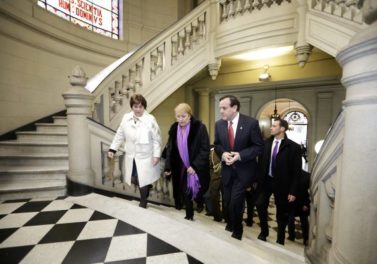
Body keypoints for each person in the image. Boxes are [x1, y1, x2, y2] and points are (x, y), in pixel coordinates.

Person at [214, 95, 264, 240]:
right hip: (227, 171)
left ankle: (237, 231)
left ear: (234, 108)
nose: (221, 111)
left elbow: (258, 147)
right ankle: (230, 222)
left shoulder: (251, 123)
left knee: (236, 201)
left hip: (244, 171)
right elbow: (217, 144)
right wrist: (223, 154)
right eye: (220, 108)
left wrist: (240, 155)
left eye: (224, 108)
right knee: (228, 201)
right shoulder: (219, 125)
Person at [108, 94, 162, 208]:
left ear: (144, 107)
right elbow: (120, 134)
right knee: (133, 179)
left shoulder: (150, 119)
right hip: (131, 155)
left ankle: (143, 201)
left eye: (141, 107)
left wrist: (157, 155)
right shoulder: (126, 118)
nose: (138, 109)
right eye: (135, 106)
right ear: (131, 107)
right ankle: (147, 186)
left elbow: (157, 139)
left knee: (142, 179)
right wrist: (113, 148)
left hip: (145, 156)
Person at [256, 118, 302, 245]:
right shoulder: (265, 144)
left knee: (281, 212)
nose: (271, 128)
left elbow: (296, 172)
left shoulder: (293, 147)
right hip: (266, 182)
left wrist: (293, 191)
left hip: (283, 184)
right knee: (260, 204)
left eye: (274, 126)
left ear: (282, 129)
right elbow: (260, 164)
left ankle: (280, 237)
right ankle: (263, 232)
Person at [164, 103, 210, 220]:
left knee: (197, 190)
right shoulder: (174, 128)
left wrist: (194, 166)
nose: (180, 119)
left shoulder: (199, 128)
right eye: (178, 116)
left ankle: (199, 203)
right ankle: (189, 215)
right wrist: (168, 167)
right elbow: (170, 149)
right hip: (180, 166)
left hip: (195, 166)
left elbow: (205, 149)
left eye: (183, 116)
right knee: (185, 190)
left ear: (190, 115)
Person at [288, 169, 310, 246]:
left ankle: (306, 238)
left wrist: (306, 204)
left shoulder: (307, 176)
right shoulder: (290, 174)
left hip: (302, 203)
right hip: (291, 203)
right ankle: (291, 236)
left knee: (304, 222)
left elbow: (310, 192)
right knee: (290, 220)